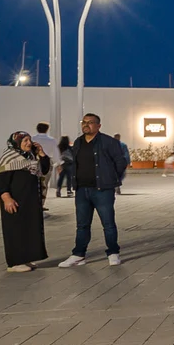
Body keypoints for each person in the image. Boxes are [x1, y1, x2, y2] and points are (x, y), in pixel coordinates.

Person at [59, 113, 129, 267]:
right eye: (84, 122)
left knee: (108, 223)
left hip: (102, 190)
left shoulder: (108, 142)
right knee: (82, 224)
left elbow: (120, 162)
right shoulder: (78, 142)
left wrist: (110, 178)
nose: (86, 125)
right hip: (82, 190)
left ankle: (113, 252)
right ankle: (78, 254)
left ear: (98, 125)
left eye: (90, 122)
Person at [0, 132, 50, 272]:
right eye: (25, 140)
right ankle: (14, 263)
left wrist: (42, 153)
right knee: (15, 230)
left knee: (29, 229)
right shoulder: (8, 158)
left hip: (29, 201)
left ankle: (26, 258)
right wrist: (6, 198)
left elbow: (44, 169)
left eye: (29, 140)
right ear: (16, 143)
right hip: (15, 201)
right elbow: (0, 182)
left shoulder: (31, 157)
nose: (28, 143)